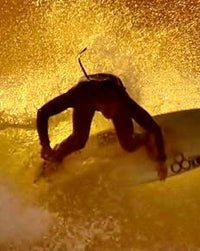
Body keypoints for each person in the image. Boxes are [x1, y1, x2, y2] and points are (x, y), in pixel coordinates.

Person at [36, 72, 168, 180]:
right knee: (79, 140)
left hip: (113, 89)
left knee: (128, 145)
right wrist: (45, 144)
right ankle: (55, 159)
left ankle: (144, 138)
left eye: (111, 107)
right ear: (97, 103)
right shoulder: (79, 97)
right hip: (87, 96)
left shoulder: (124, 103)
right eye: (105, 108)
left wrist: (161, 160)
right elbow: (43, 113)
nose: (109, 113)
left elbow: (155, 128)